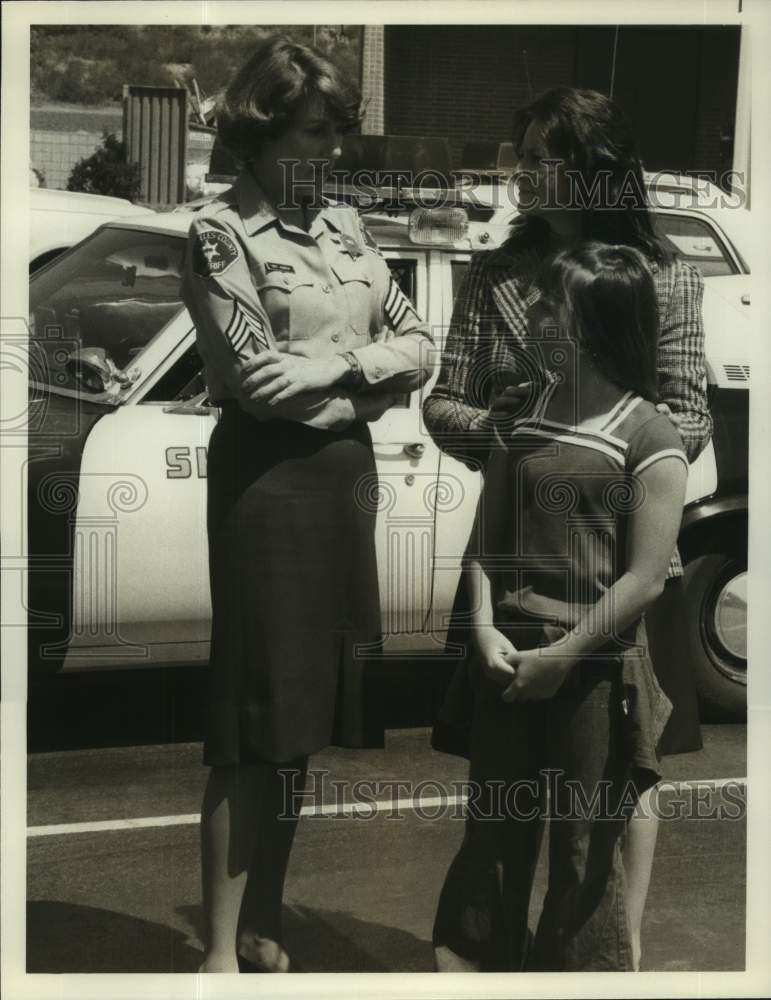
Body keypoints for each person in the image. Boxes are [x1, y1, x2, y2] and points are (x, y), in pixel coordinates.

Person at [424, 87, 711, 970]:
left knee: (621, 770)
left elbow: (688, 413)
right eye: (521, 154)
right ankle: (497, 954)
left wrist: (601, 438)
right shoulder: (495, 274)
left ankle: (608, 949)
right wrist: (503, 429)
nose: (524, 174)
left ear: (594, 167)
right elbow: (442, 404)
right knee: (505, 777)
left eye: (544, 156)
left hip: (618, 548)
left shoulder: (661, 275)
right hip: (515, 551)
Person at [180, 35, 434, 973]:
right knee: (252, 721)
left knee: (299, 725)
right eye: (315, 132)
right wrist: (369, 380)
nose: (331, 152)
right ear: (262, 126)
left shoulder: (350, 232)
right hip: (268, 484)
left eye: (337, 133)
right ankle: (215, 955)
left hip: (340, 481)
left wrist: (339, 369)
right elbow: (256, 381)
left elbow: (419, 345)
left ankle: (266, 922)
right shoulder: (218, 234)